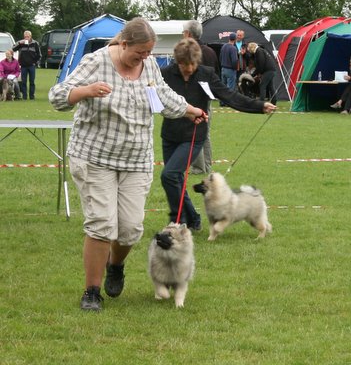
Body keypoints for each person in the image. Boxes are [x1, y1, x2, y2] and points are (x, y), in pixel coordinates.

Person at [48, 17, 207, 312]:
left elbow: (162, 96)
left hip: (135, 160)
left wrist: (189, 110)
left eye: (149, 53)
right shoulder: (95, 61)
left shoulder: (148, 66)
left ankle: (116, 265)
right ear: (123, 43)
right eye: (140, 53)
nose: (145, 58)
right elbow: (57, 96)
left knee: (131, 228)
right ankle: (92, 292)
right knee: (101, 225)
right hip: (95, 157)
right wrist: (87, 90)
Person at [160, 37, 276, 231]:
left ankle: (177, 220)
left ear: (197, 61)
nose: (188, 69)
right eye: (183, 64)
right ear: (177, 61)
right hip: (170, 134)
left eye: (191, 64)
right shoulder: (165, 74)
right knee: (176, 179)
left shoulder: (205, 74)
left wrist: (258, 105)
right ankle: (193, 219)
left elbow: (229, 96)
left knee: (169, 175)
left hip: (193, 134)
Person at [182, 19, 220, 175]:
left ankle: (198, 167)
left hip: (194, 97)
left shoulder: (189, 50)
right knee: (205, 133)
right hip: (207, 97)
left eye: (183, 33)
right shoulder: (210, 51)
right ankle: (206, 166)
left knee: (194, 132)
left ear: (189, 34)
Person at [13, 30, 41, 100]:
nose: (26, 38)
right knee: (23, 82)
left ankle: (32, 96)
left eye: (27, 36)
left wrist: (35, 62)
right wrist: (19, 43)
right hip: (23, 66)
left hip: (32, 65)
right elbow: (13, 49)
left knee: (32, 82)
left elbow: (39, 55)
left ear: (30, 36)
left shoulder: (35, 43)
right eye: (25, 36)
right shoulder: (21, 43)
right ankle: (24, 96)